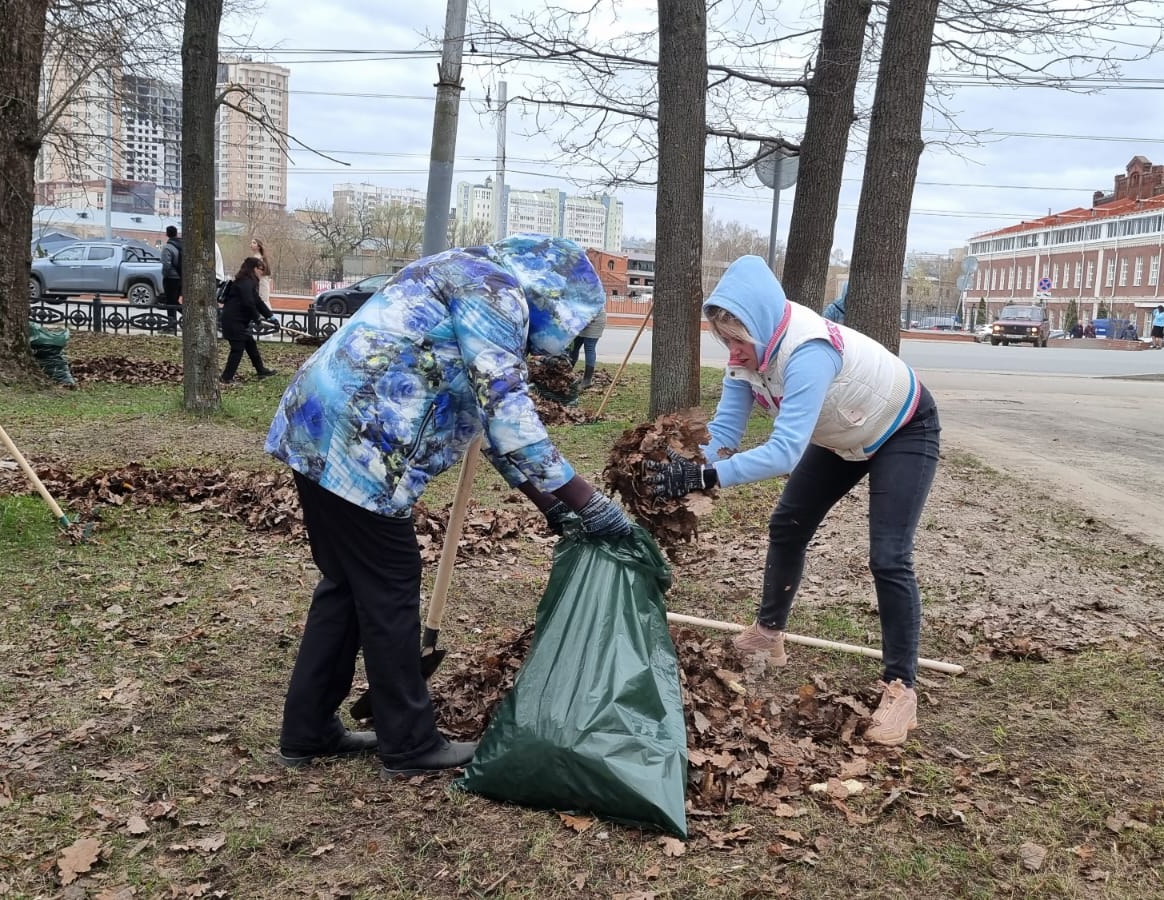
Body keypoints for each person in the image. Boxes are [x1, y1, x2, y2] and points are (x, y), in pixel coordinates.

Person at [264, 234, 635, 775]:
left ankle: (308, 729)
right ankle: (409, 744)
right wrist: (588, 501)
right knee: (390, 587)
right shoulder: (497, 292)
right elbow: (511, 417)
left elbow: (488, 420)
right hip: (362, 444)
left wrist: (549, 505)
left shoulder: (463, 267)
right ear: (557, 298)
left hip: (313, 424)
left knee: (345, 582)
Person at [643, 256, 940, 746]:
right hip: (844, 434)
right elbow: (724, 434)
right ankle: (768, 633)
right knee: (788, 524)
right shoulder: (747, 358)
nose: (733, 354)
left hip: (903, 428)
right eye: (725, 342)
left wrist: (706, 476)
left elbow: (784, 452)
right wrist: (685, 465)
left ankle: (901, 688)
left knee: (889, 556)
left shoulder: (808, 352)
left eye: (739, 342)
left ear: (761, 329)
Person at [220, 257, 278, 383]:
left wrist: (270, 317)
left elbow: (257, 301)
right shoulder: (245, 282)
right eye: (261, 269)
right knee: (237, 349)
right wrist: (257, 318)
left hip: (238, 322)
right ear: (254, 268)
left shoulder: (248, 282)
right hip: (233, 322)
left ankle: (261, 370)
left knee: (250, 345)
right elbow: (248, 302)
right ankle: (226, 377)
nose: (262, 272)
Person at [568, 305, 607, 387]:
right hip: (581, 317)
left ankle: (587, 380)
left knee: (589, 347)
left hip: (595, 319)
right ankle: (567, 373)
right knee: (574, 346)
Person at [160, 225, 184, 333]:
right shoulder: (181, 245)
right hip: (181, 278)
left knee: (170, 303)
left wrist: (165, 275)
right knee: (174, 302)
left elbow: (166, 265)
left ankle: (171, 326)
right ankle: (190, 316)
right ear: (176, 233)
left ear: (166, 234)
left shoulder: (167, 247)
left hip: (171, 278)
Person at [249, 238, 273, 309]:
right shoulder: (256, 257)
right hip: (258, 285)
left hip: (262, 285)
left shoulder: (259, 258)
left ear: (259, 246)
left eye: (254, 243)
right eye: (251, 242)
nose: (251, 244)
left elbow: (257, 273)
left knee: (263, 303)